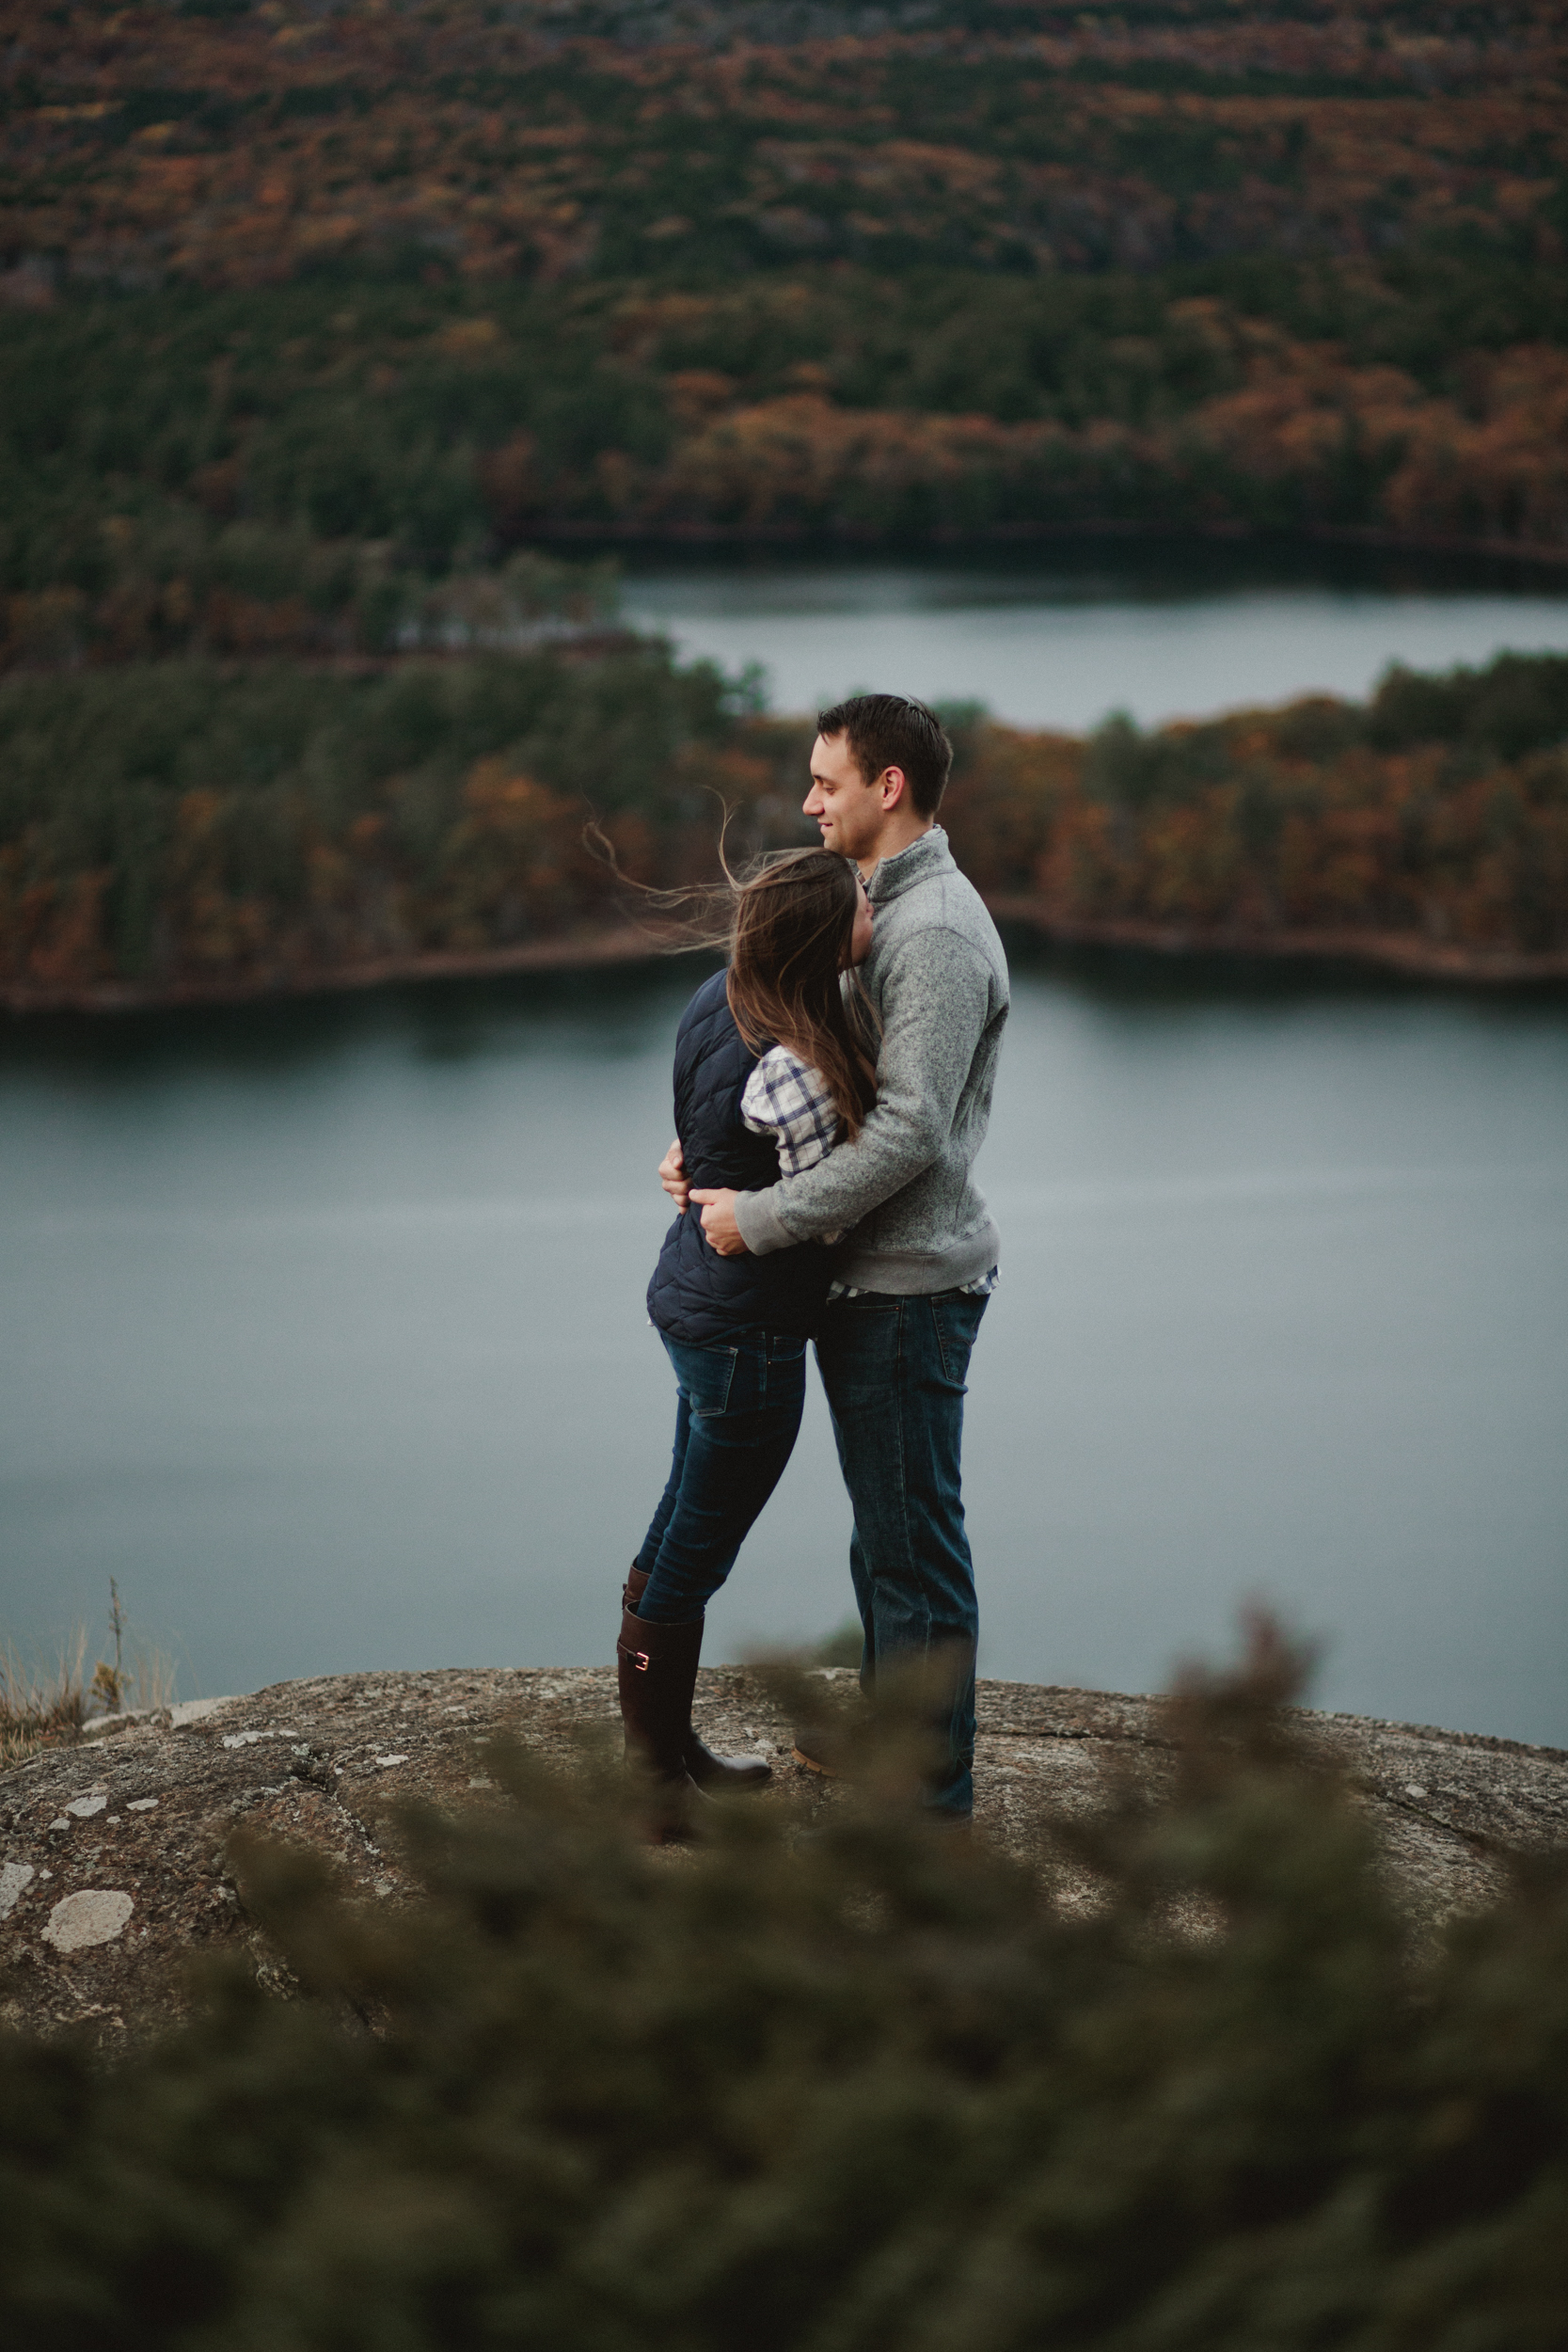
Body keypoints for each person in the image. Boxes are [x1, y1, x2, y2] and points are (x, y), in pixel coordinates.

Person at [668, 694, 1009, 1822]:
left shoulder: (936, 935)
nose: (809, 801)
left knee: (913, 1553)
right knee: (884, 1544)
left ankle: (927, 1812)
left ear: (888, 787)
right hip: (855, 1281)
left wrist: (759, 1222)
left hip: (908, 1289)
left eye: (826, 782)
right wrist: (710, 1157)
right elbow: (808, 1070)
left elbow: (907, 1131)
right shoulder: (864, 909)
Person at [622, 846, 877, 1833]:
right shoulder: (801, 1063)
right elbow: (820, 1210)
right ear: (821, 939)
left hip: (691, 1300)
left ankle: (668, 1754)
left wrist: (697, 1168)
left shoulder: (713, 996)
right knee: (694, 1551)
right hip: (748, 1331)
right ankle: (653, 1796)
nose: (873, 908)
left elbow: (699, 1133)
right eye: (861, 902)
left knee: (678, 1523)